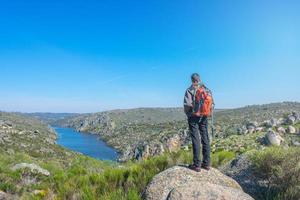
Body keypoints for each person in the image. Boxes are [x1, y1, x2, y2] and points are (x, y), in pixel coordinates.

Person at [184, 73, 211, 172]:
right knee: (205, 138)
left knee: (196, 139)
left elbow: (187, 104)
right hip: (204, 116)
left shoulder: (190, 90)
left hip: (194, 116)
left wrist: (188, 113)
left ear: (192, 80)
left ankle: (197, 164)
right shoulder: (206, 89)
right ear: (199, 79)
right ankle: (207, 163)